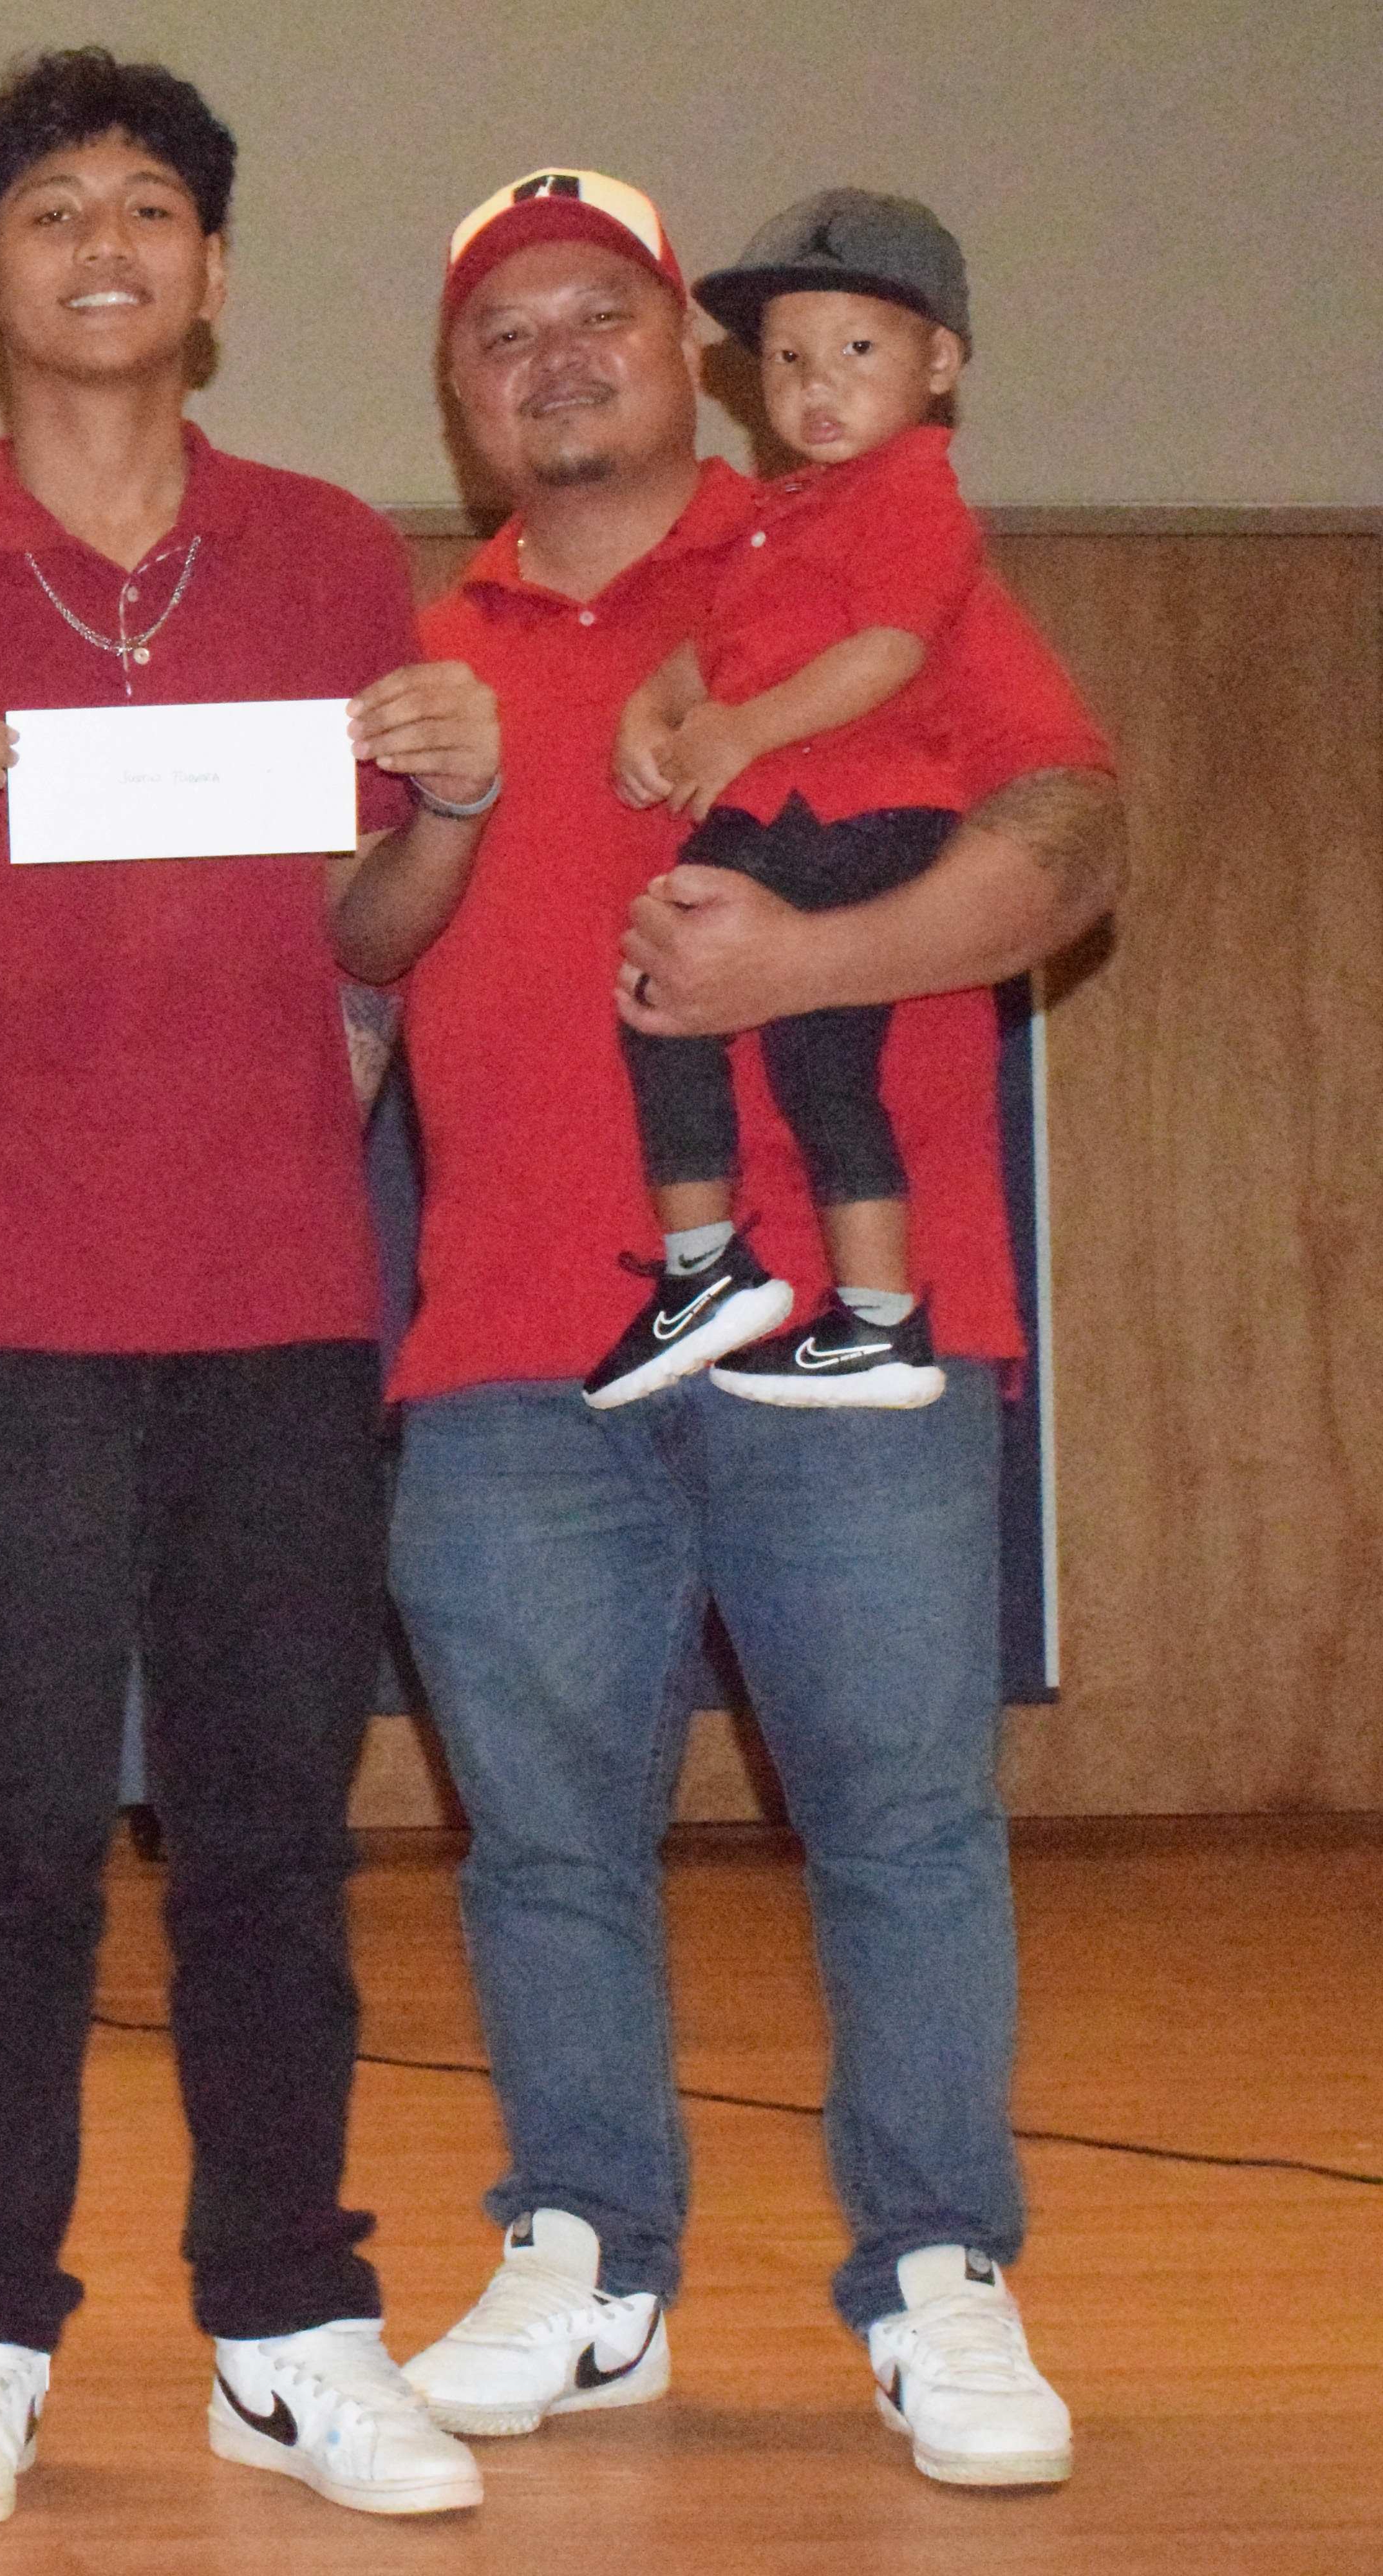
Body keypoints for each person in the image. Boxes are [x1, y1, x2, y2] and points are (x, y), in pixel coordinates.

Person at [0, 50, 503, 2528]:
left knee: (276, 1841)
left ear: (212, 268)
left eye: (153, 206)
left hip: (280, 1297)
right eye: (55, 211)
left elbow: (372, 934)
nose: (106, 243)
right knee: (10, 1850)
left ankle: (289, 2321)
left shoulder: (329, 555)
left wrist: (460, 804)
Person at [388, 167, 1120, 2490]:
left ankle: (940, 2273)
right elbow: (337, 965)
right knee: (541, 1844)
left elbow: (1073, 838)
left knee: (903, 1820)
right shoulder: (426, 656)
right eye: (505, 332)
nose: (555, 357)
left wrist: (806, 965)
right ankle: (588, 2262)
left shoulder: (851, 549)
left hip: (852, 1329)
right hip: (516, 1343)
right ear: (462, 392)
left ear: (686, 352)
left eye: (598, 311)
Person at [585, 189, 992, 1412]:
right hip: (835, 810)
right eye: (787, 359)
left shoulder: (912, 495)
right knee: (822, 1067)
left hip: (843, 802)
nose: (819, 387)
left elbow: (889, 651)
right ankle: (878, 1320)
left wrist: (743, 732)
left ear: (940, 363)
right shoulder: (786, 516)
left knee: (665, 988)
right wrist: (648, 713)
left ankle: (704, 1269)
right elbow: (713, 649)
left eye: (857, 351)